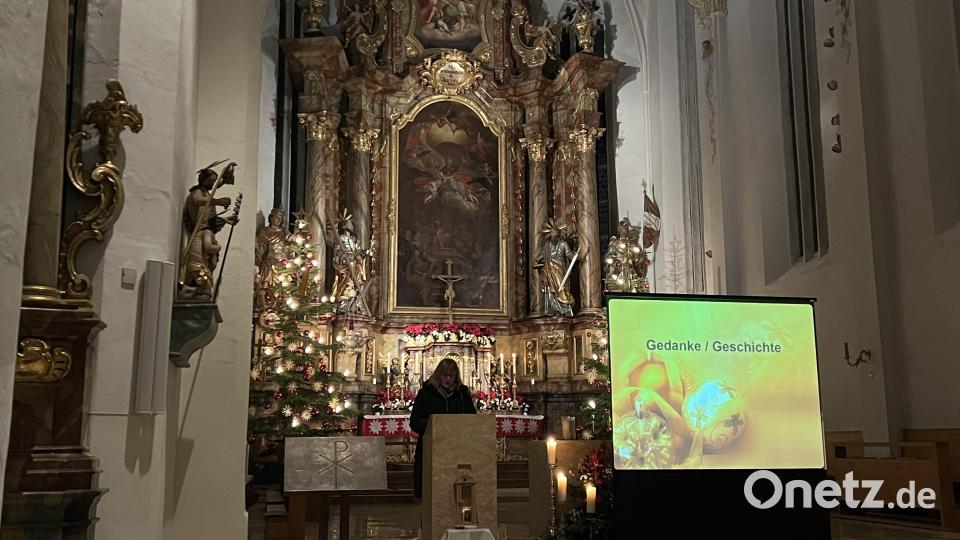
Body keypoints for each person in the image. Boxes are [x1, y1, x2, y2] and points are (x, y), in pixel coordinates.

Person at [409, 357, 477, 500]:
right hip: (432, 446)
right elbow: (415, 422)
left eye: (451, 376)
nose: (447, 380)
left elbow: (472, 419)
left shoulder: (462, 394)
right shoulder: (426, 393)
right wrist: (435, 423)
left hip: (457, 447)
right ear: (438, 375)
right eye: (444, 376)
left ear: (456, 377)